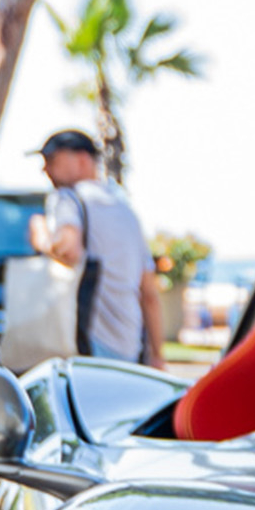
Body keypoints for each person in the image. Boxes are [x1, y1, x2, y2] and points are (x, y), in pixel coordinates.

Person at [31, 127, 166, 365]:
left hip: (88, 345)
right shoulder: (126, 210)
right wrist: (156, 355)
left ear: (82, 158)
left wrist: (39, 233)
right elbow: (149, 293)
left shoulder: (67, 199)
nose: (45, 169)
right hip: (130, 346)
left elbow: (67, 250)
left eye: (51, 159)